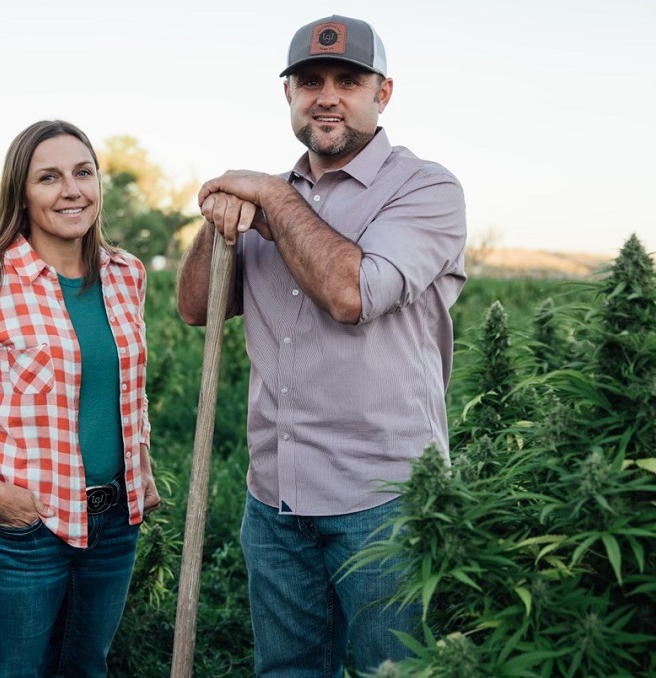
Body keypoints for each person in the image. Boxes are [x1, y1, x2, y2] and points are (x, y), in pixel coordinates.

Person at [177, 15, 467, 677]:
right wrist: (218, 221)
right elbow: (197, 308)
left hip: (385, 501)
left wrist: (273, 198)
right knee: (287, 671)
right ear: (289, 96)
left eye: (348, 80)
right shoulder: (267, 196)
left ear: (383, 93)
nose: (327, 95)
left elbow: (352, 294)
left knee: (396, 670)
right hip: (275, 499)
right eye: (309, 81)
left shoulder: (426, 189)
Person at [0, 119, 160, 678]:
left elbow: (127, 388)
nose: (71, 190)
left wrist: (140, 463)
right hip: (24, 530)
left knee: (87, 668)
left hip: (114, 523)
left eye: (83, 172)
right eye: (48, 177)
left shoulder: (126, 275)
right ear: (21, 195)